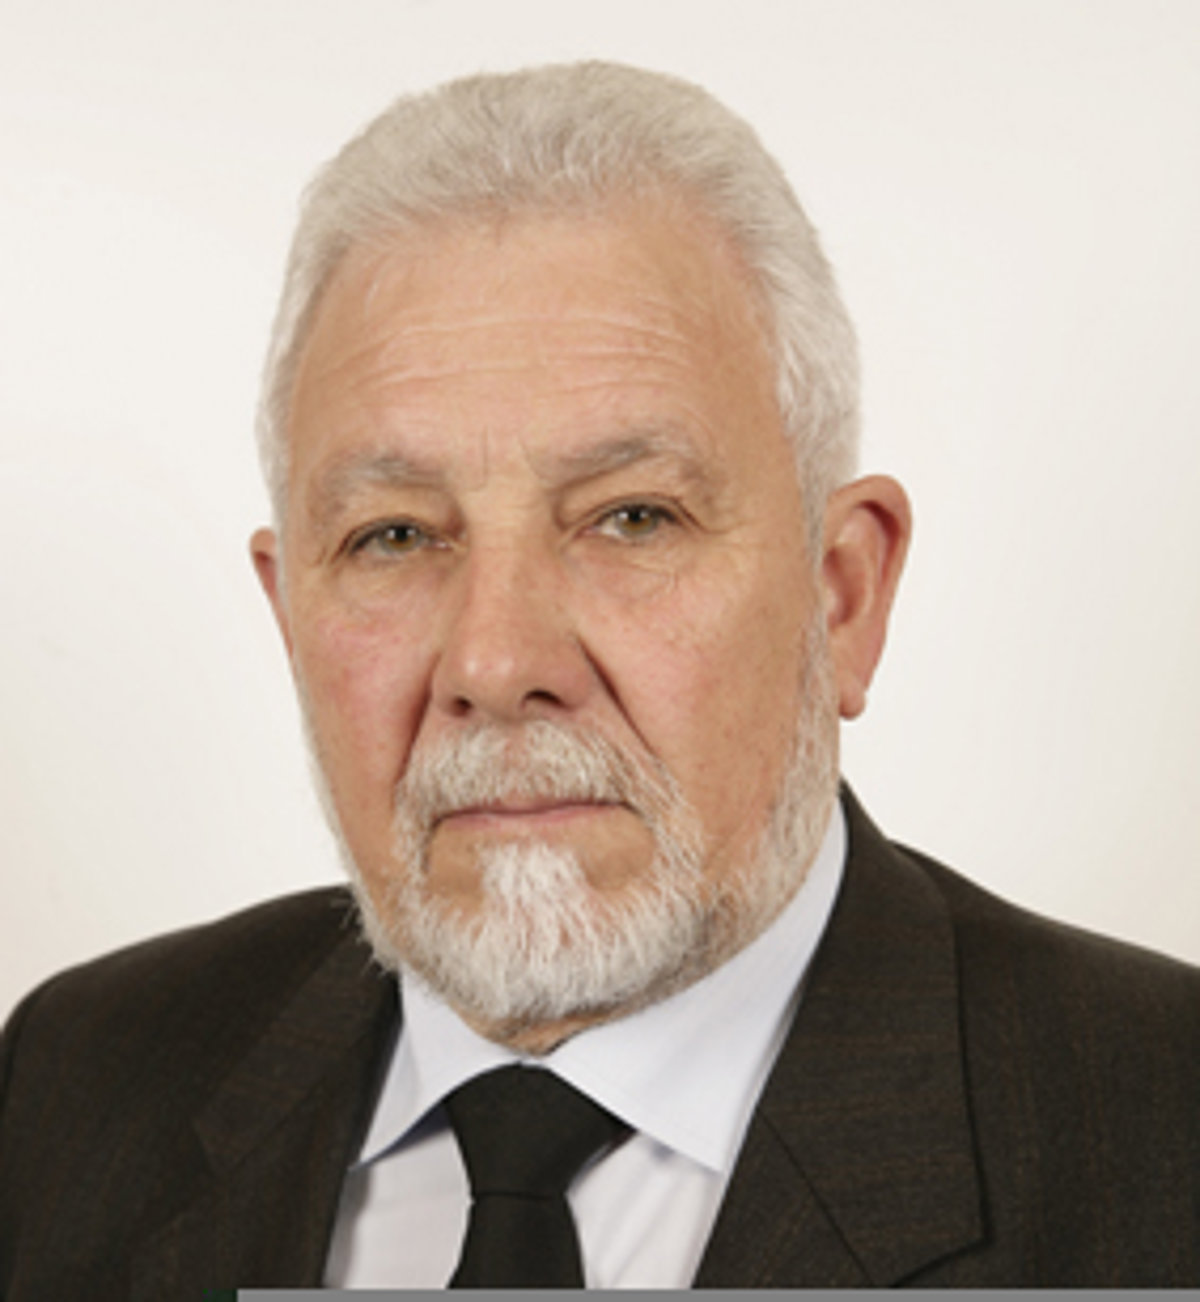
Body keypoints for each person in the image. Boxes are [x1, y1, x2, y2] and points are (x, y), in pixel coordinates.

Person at [1, 61, 1197, 1296]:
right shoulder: (70, 1085)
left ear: (843, 593)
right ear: (290, 620)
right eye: (395, 536)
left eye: (632, 518)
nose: (496, 664)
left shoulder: (1165, 1132)